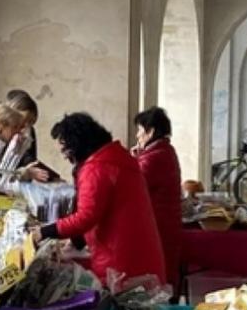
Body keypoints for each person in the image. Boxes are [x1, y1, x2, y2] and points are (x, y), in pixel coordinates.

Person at [33, 112, 165, 285]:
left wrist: (44, 232)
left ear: (78, 144)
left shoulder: (97, 167)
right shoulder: (117, 157)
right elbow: (103, 207)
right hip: (139, 253)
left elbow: (87, 216)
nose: (65, 155)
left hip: (121, 261)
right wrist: (76, 242)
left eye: (66, 148)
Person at [133, 106, 183, 290]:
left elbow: (133, 183)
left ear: (150, 131)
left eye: (139, 130)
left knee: (156, 279)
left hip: (157, 225)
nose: (137, 136)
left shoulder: (154, 158)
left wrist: (133, 161)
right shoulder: (164, 151)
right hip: (164, 223)